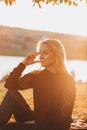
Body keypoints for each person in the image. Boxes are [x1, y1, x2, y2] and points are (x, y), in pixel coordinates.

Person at [0, 39, 76, 130]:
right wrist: (24, 64)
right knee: (11, 94)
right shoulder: (37, 75)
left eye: (45, 53)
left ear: (57, 54)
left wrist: (37, 124)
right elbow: (10, 85)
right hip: (38, 121)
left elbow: (64, 116)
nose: (41, 57)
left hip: (53, 127)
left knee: (11, 127)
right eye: (40, 53)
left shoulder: (67, 80)